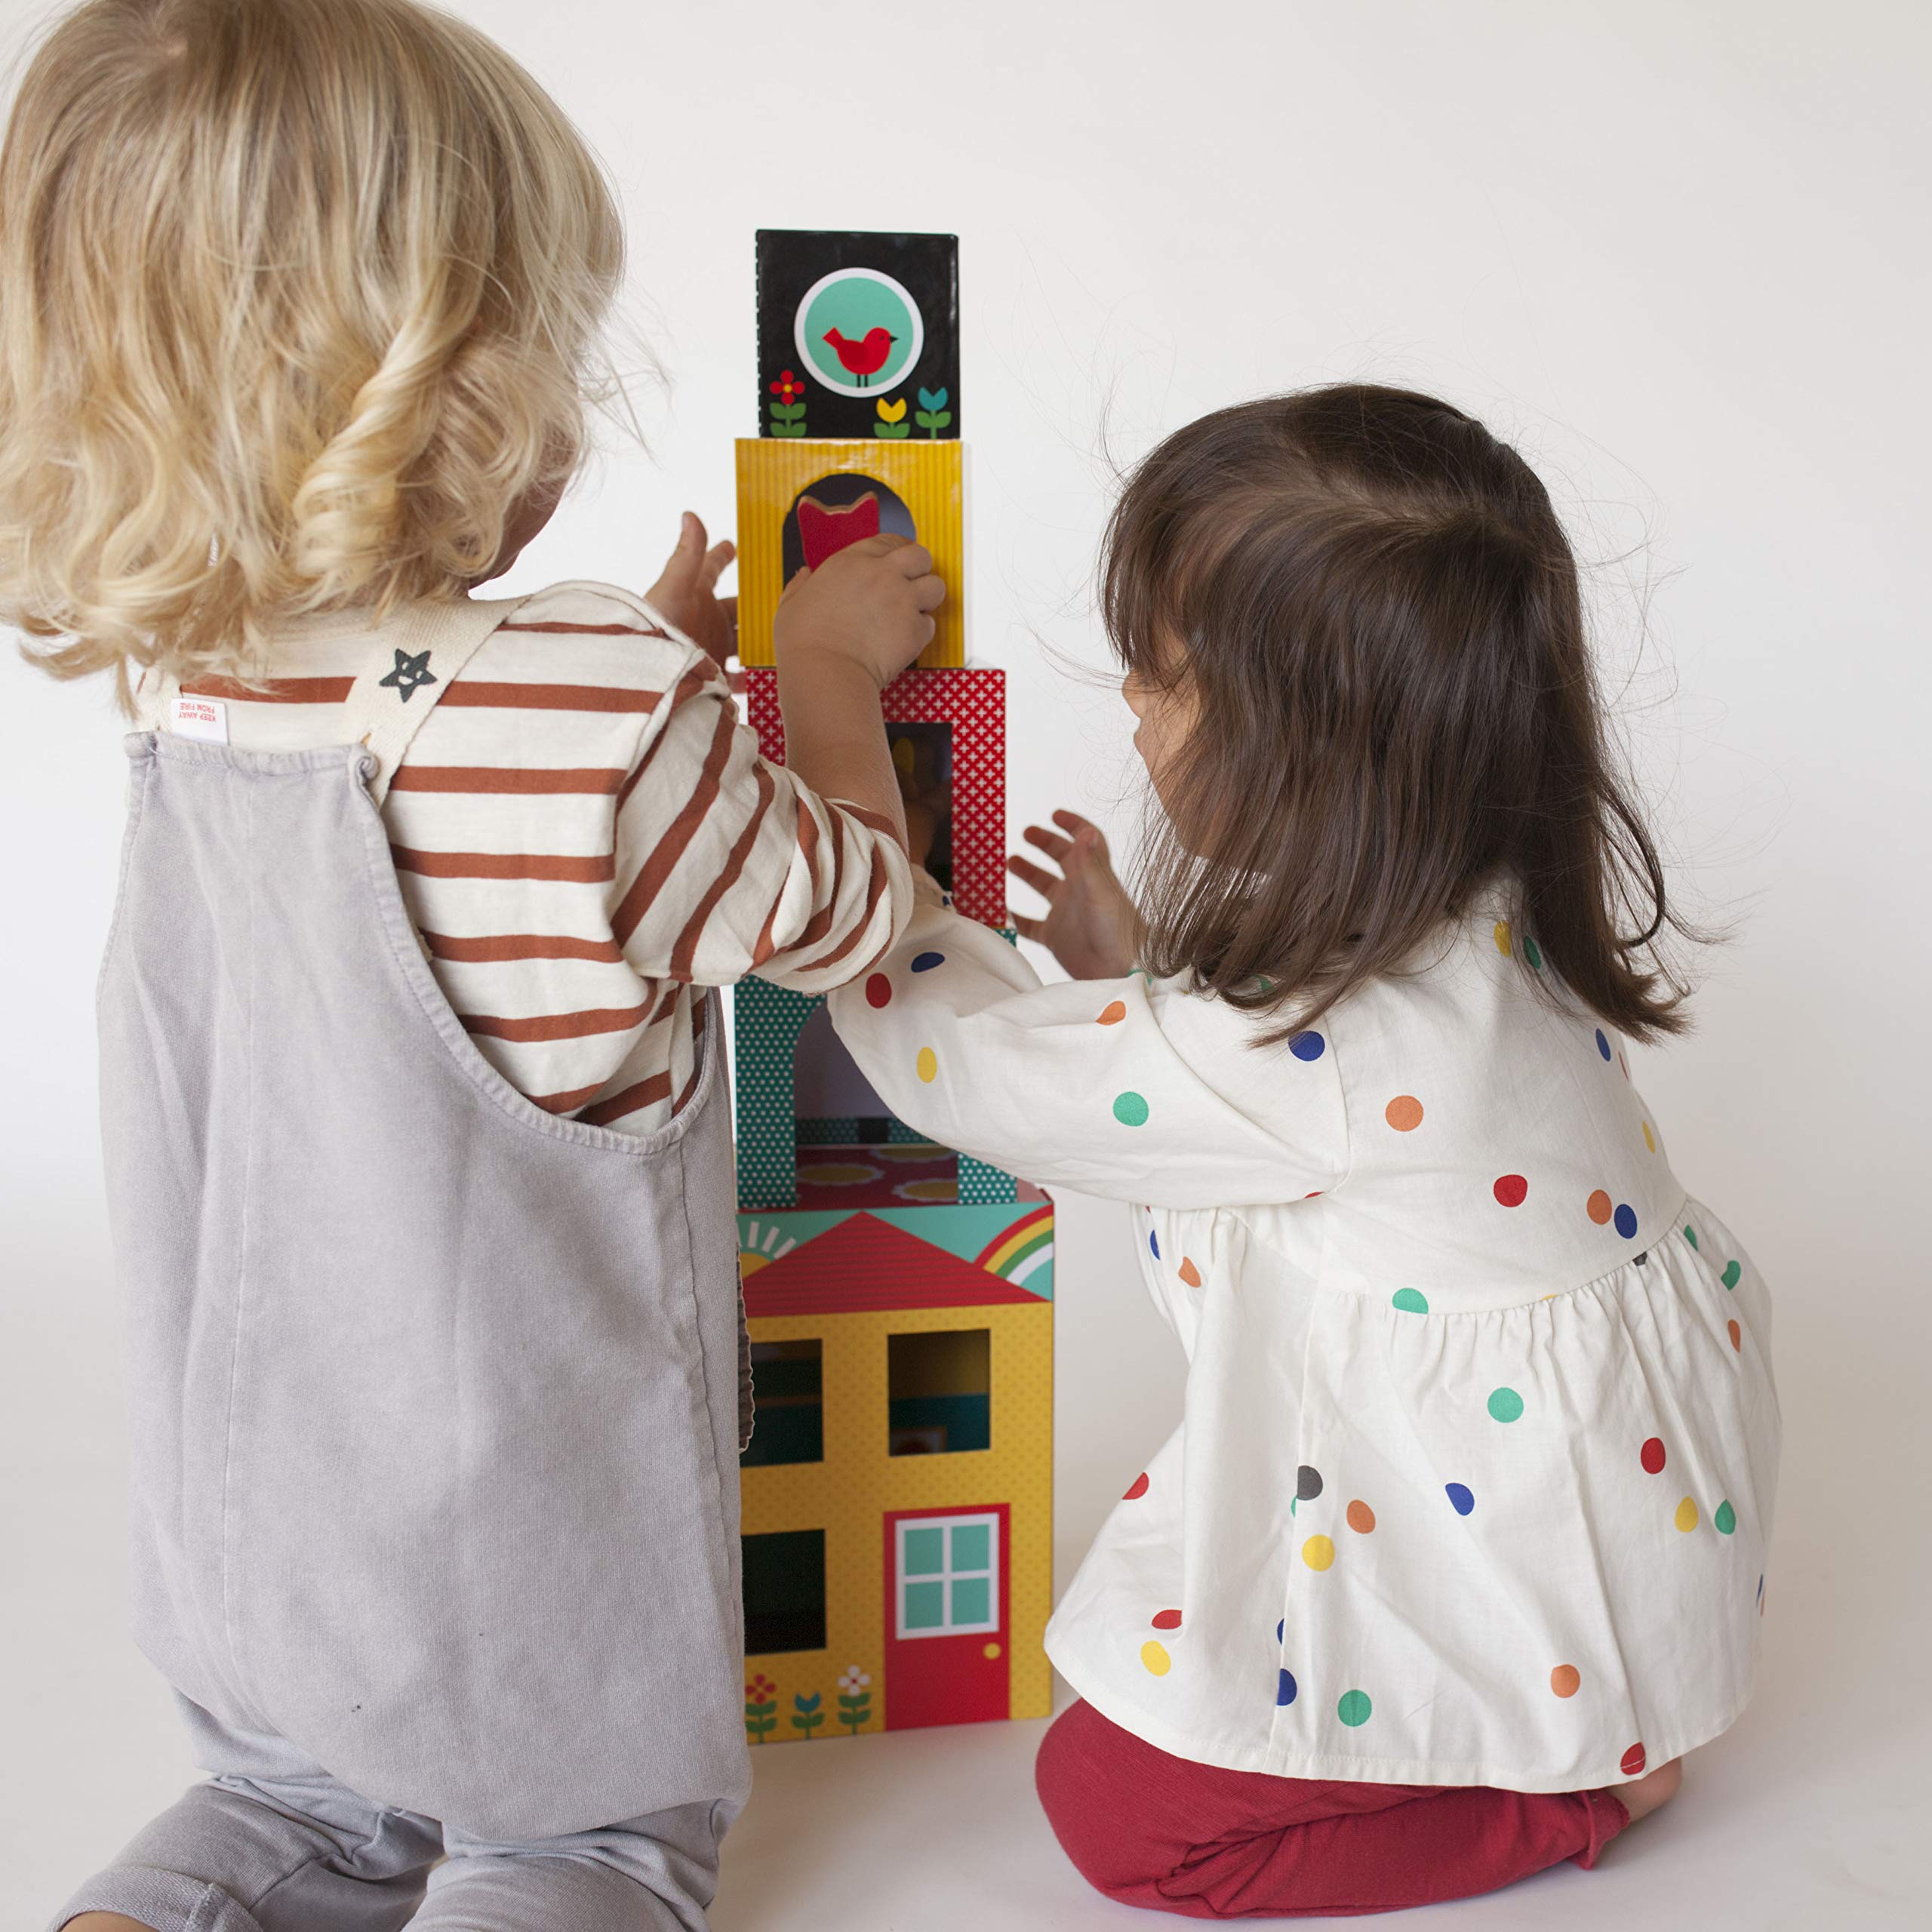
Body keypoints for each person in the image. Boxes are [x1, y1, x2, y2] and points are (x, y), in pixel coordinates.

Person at [0, 3, 943, 1927]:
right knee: (577, 1849)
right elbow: (852, 905)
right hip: (526, 1568)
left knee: (278, 1818)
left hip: (249, 1535)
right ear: (459, 382)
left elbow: (468, 748)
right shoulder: (598, 701)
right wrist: (821, 673)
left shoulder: (189, 680)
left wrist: (639, 659)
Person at [829, 385, 1780, 1916]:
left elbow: (956, 1066)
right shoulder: (1471, 899)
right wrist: (1130, 981)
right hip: (1581, 1504)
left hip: (1496, 1554)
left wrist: (824, 707)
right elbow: (1284, 1096)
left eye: (1163, 676)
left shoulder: (1309, 1049)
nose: (1130, 703)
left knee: (1113, 1809)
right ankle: (1569, 1721)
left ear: (1314, 753)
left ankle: (1574, 1793)